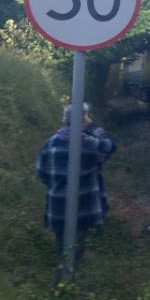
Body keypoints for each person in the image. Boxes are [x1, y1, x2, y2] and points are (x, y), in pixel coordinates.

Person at [34, 103, 117, 283]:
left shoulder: (50, 143)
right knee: (75, 250)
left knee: (62, 247)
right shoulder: (87, 144)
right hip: (81, 207)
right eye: (86, 117)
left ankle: (63, 285)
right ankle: (64, 289)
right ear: (83, 120)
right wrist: (93, 127)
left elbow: (41, 174)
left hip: (56, 207)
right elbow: (110, 146)